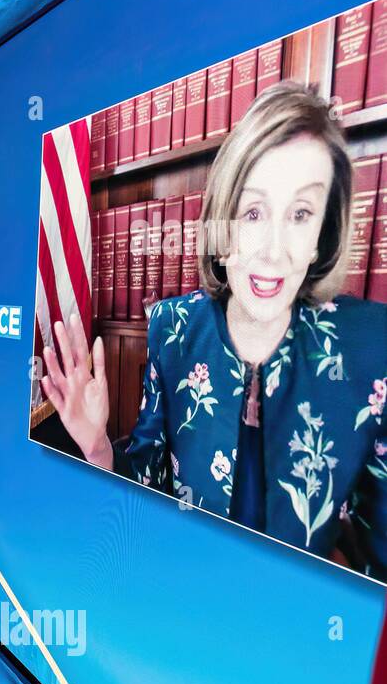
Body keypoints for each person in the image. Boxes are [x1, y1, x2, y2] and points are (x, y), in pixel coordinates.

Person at [42, 81, 386, 576]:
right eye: (252, 212)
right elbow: (143, 491)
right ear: (223, 231)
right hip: (184, 599)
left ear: (321, 238)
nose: (273, 249)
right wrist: (97, 445)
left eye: (301, 214)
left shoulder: (373, 348)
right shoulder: (173, 328)